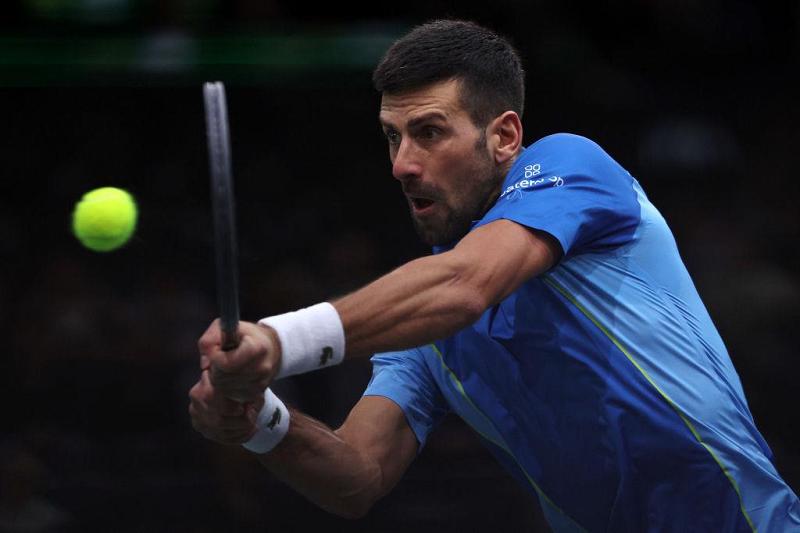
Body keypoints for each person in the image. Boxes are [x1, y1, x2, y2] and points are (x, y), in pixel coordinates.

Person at [189, 19, 800, 532]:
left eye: (429, 132)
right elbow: (357, 477)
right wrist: (260, 420)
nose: (402, 164)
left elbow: (466, 285)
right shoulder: (423, 321)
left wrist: (278, 341)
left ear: (505, 136)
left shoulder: (569, 166)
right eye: (392, 137)